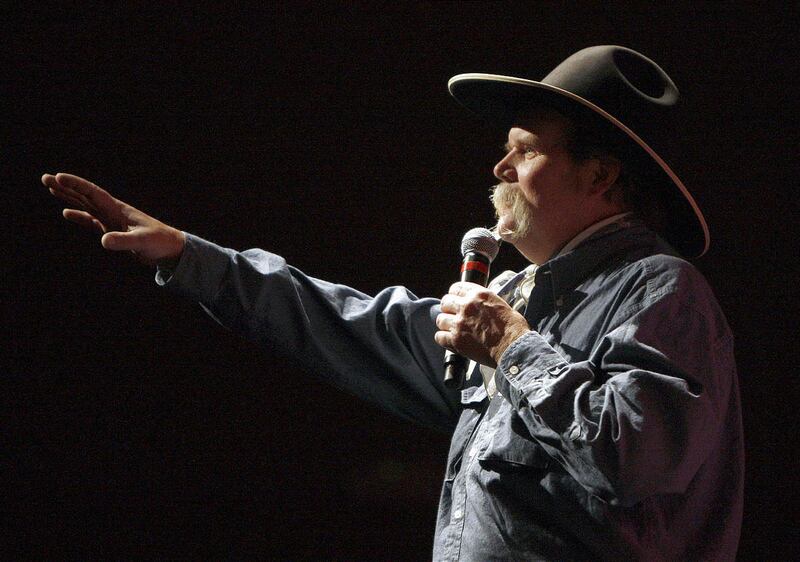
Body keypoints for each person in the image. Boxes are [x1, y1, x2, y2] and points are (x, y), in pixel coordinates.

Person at [42, 46, 743, 560]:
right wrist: (190, 256)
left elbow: (640, 455)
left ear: (600, 174)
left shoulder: (661, 291)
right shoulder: (512, 296)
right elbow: (349, 325)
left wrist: (512, 347)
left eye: (523, 150)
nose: (498, 169)